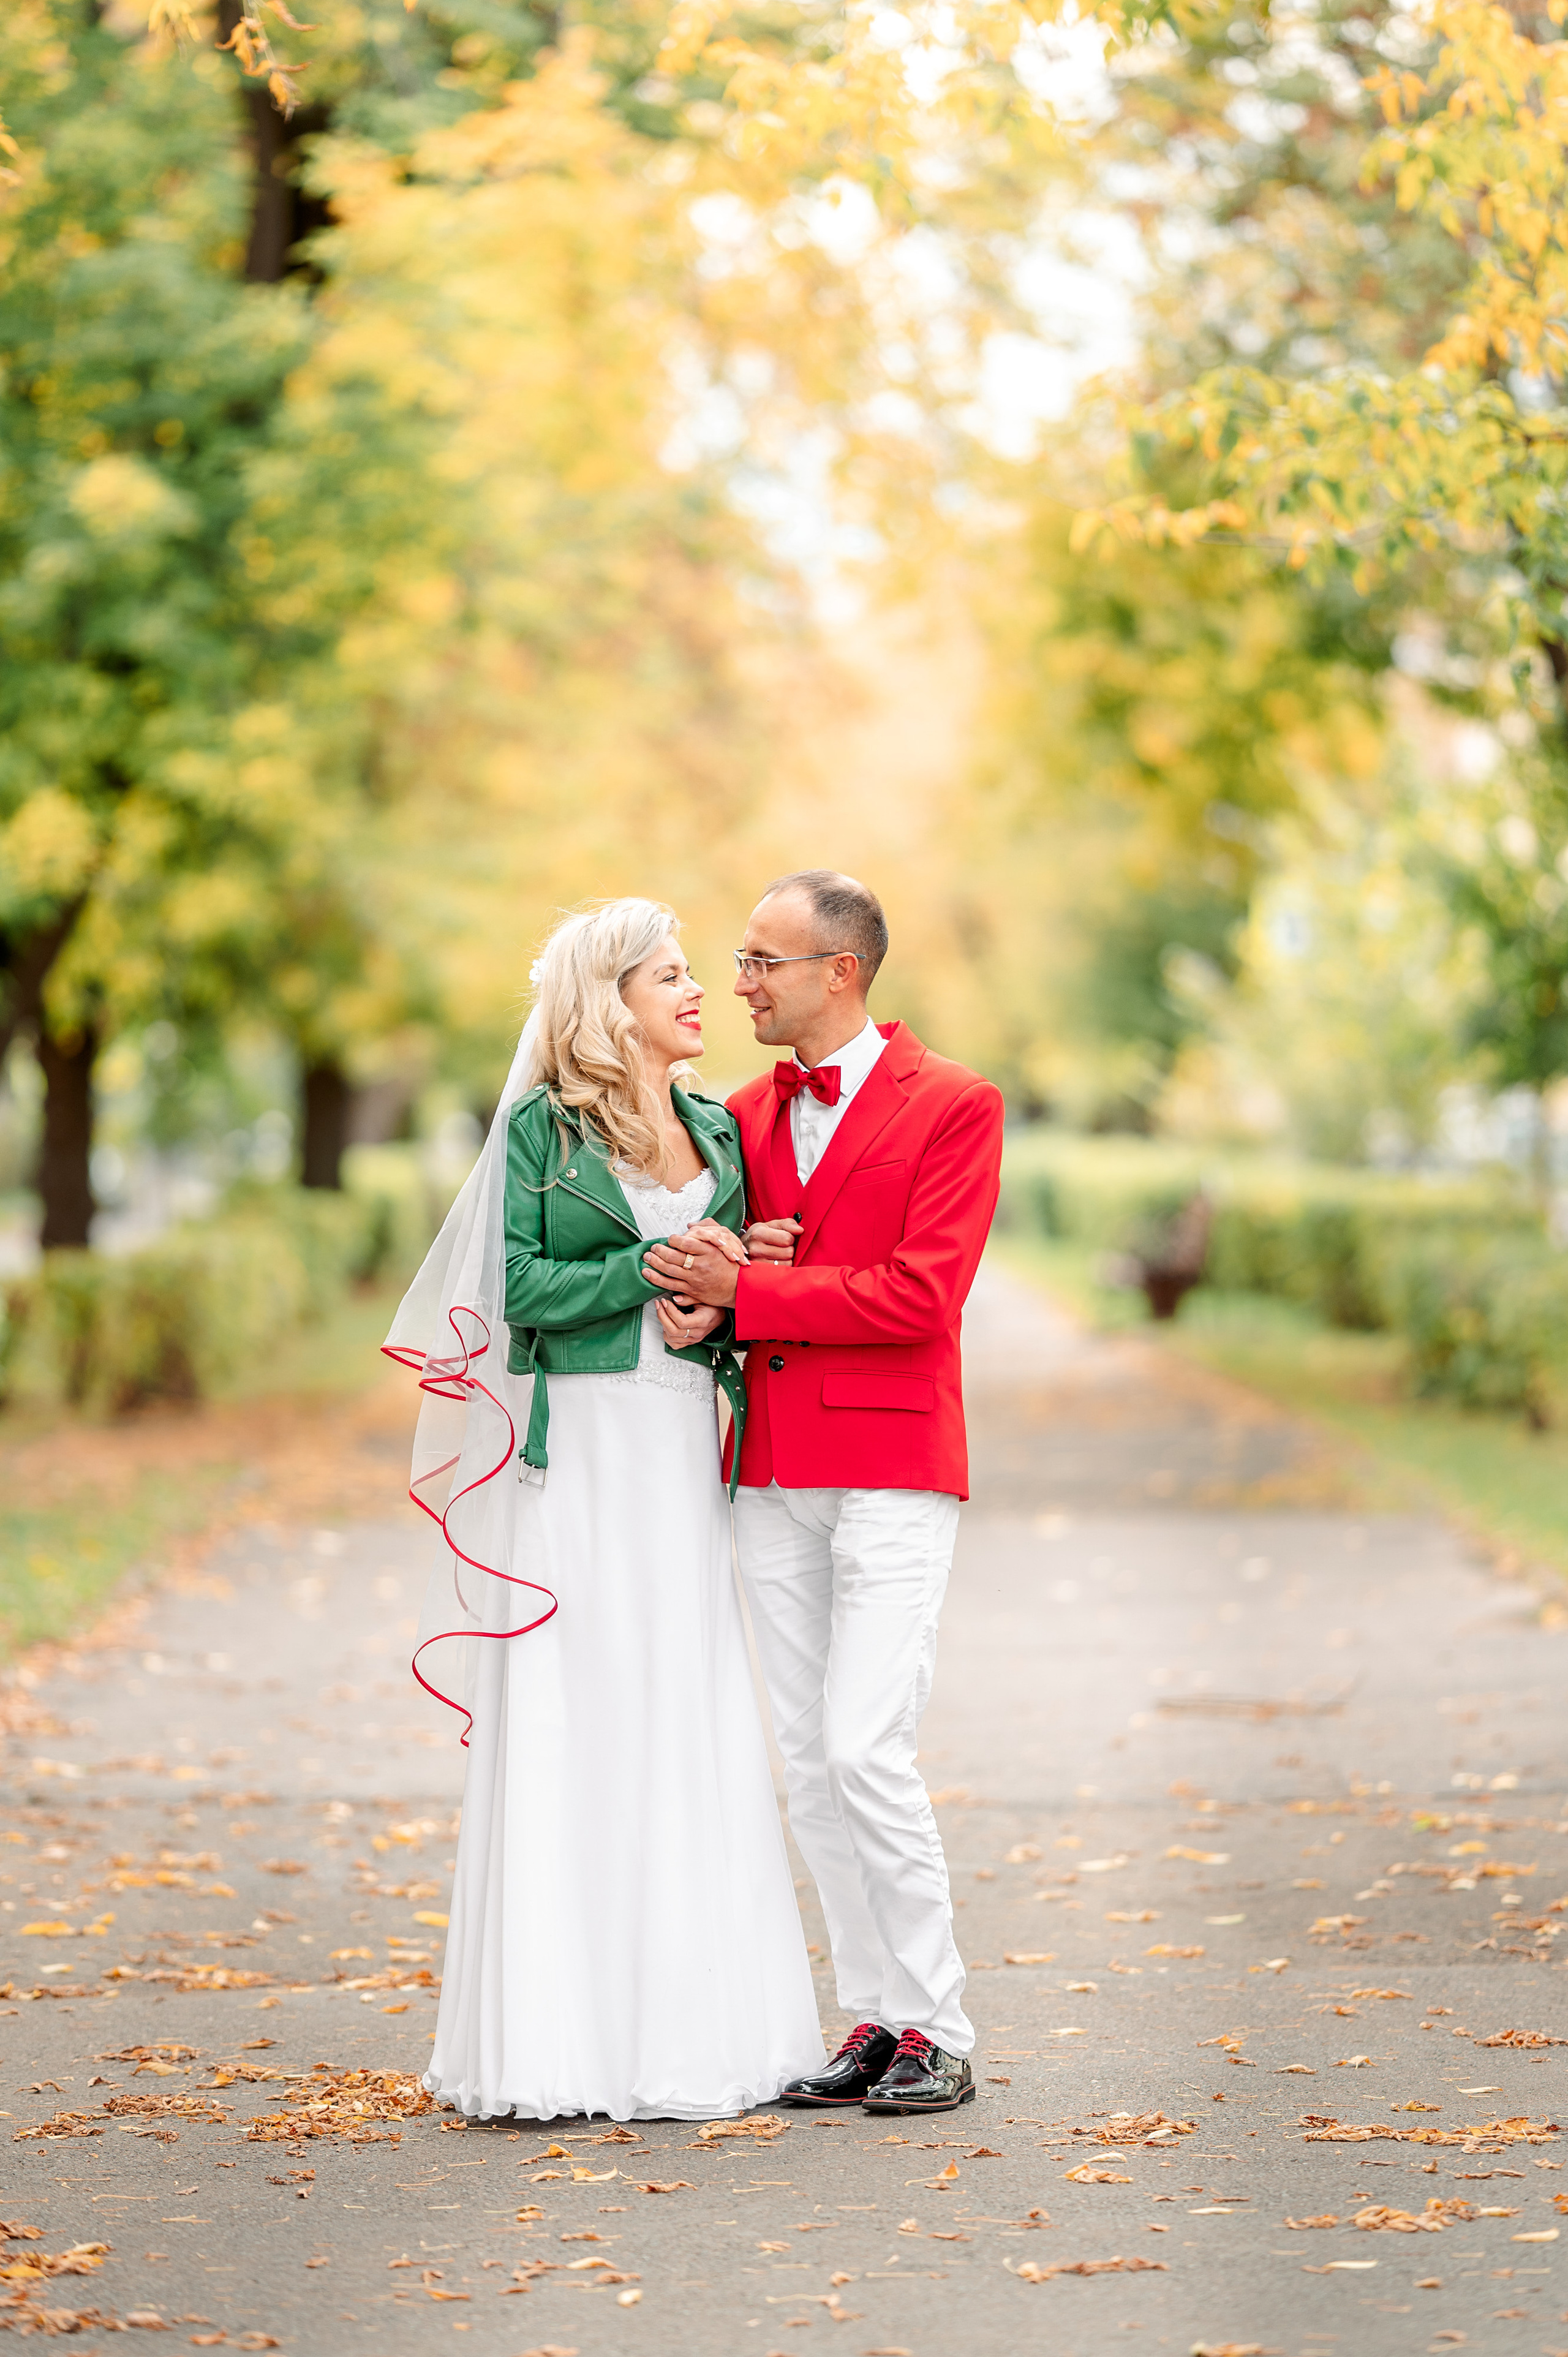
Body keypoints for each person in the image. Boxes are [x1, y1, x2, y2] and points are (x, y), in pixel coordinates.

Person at [385, 898, 821, 2122]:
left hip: (679, 1450)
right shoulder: (544, 1127)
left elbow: (724, 1301)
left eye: (692, 973)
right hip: (579, 1452)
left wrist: (727, 1298)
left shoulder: (713, 1125)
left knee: (681, 1702)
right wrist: (650, 1268)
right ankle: (557, 2046)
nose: (699, 991)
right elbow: (518, 1284)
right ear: (609, 999)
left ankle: (697, 2034)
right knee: (582, 1708)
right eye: (670, 975)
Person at [641, 870, 1005, 2114]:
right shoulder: (735, 1115)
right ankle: (876, 2017)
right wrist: (718, 1287)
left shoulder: (954, 1104)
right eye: (739, 960)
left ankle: (939, 2027)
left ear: (837, 972)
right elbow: (711, 1287)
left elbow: (921, 1297)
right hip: (769, 1465)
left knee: (864, 1745)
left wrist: (753, 1287)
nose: (737, 982)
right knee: (807, 1761)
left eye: (761, 961)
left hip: (893, 1462)